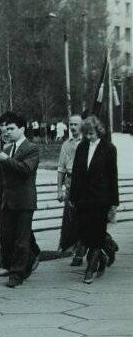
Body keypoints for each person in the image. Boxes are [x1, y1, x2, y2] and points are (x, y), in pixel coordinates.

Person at [0, 111, 39, 288]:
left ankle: (18, 273)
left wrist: (6, 159)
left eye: (11, 128)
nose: (7, 132)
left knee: (21, 239)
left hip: (24, 201)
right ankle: (16, 265)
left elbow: (26, 169)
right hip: (7, 199)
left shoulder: (31, 148)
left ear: (22, 129)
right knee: (7, 237)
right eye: (6, 128)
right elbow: (0, 176)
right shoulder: (7, 148)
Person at [69, 115, 119, 284]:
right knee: (85, 233)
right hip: (83, 198)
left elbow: (113, 176)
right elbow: (76, 173)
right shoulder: (82, 147)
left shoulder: (109, 148)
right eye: (86, 134)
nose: (89, 137)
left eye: (91, 133)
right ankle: (104, 257)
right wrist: (72, 196)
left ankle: (90, 269)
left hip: (101, 199)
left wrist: (114, 202)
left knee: (97, 234)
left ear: (98, 131)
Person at [57, 114, 85, 262]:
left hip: (85, 185)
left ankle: (83, 250)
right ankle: (76, 249)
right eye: (71, 124)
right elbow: (61, 168)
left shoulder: (87, 143)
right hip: (70, 182)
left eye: (76, 124)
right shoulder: (66, 144)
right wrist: (59, 189)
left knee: (84, 218)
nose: (73, 127)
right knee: (71, 218)